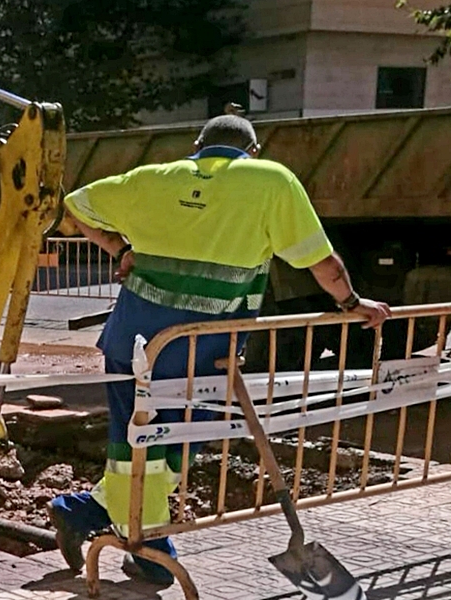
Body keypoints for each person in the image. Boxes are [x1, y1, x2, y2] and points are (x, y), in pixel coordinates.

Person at [47, 114, 391, 585]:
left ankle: (87, 512)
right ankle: (145, 548)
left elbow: (75, 204)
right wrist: (353, 304)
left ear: (198, 145)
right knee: (163, 447)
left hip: (133, 345)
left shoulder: (154, 177)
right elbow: (322, 262)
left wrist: (118, 248)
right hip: (202, 352)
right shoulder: (271, 180)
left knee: (140, 446)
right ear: (253, 150)